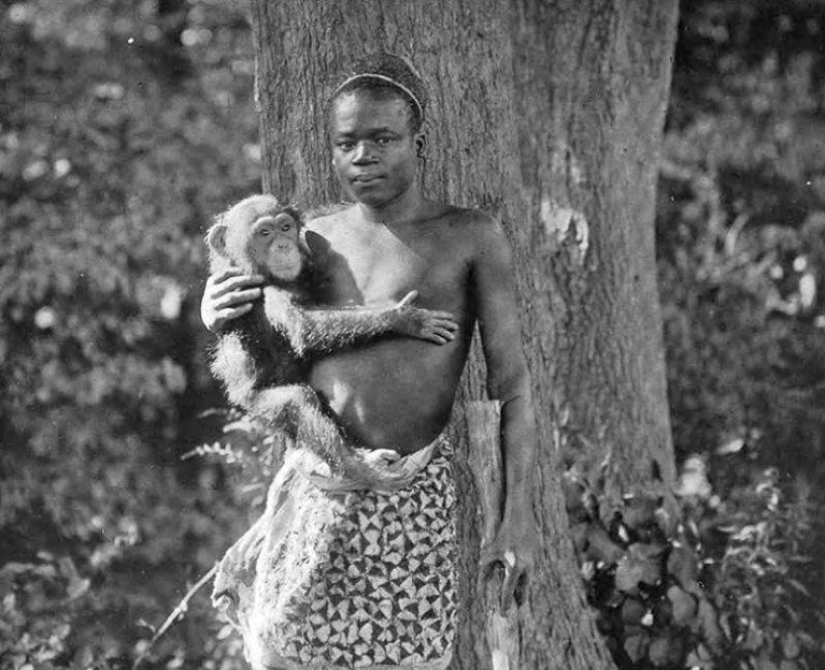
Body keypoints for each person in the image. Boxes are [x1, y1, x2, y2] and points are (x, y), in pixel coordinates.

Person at [202, 53, 537, 670]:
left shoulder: (469, 236)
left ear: (419, 142)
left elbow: (512, 387)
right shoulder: (316, 239)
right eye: (346, 143)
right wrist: (212, 304)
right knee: (290, 652)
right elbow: (256, 302)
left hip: (412, 492)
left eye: (382, 139)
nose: (364, 156)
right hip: (323, 486)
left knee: (403, 659)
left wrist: (518, 520)